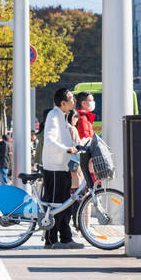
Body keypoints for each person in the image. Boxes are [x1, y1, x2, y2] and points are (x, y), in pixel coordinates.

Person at [41, 87, 85, 249]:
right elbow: (50, 139)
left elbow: (65, 141)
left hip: (63, 166)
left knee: (65, 205)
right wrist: (66, 149)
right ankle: (51, 240)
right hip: (54, 167)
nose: (74, 101)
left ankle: (66, 238)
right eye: (72, 98)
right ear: (63, 102)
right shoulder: (54, 116)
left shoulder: (63, 117)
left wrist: (77, 146)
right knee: (54, 204)